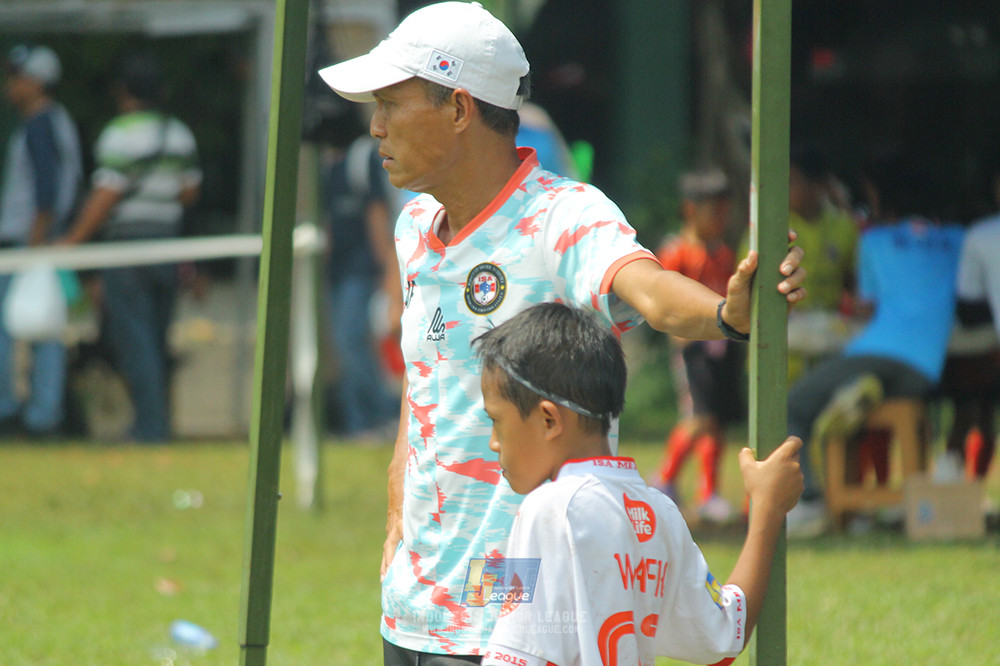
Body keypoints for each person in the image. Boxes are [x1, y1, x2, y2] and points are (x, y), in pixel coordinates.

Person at [318, 2, 806, 660]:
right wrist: (396, 513)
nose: (374, 128)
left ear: (459, 109)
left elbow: (650, 289)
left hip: (501, 616)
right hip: (407, 607)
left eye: (390, 105)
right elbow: (423, 382)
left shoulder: (559, 215)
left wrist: (725, 313)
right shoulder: (413, 230)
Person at [474, 302, 803, 666]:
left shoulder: (546, 508)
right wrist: (767, 511)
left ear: (549, 420)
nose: (493, 442)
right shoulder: (659, 510)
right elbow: (724, 635)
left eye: (497, 422)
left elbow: (513, 652)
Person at [785, 152, 965, 536]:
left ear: (880, 196)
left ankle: (810, 501)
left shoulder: (876, 241)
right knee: (848, 394)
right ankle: (858, 394)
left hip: (879, 351)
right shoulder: (956, 239)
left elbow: (865, 308)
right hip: (927, 367)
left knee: (795, 402)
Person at [59, 53, 202, 443]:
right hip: (168, 243)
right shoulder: (179, 133)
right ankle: (161, 423)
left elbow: (108, 193)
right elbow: (190, 192)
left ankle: (149, 429)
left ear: (123, 92)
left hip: (127, 246)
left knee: (134, 339)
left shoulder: (118, 134)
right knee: (158, 337)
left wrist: (72, 241)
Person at [650, 169, 743, 523]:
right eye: (713, 210)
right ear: (690, 209)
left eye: (725, 210)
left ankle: (709, 492)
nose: (721, 218)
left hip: (722, 346)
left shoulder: (724, 254)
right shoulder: (677, 253)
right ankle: (665, 480)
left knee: (715, 421)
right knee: (697, 417)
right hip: (692, 348)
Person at [0, 44, 83, 437]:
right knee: (47, 325)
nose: (10, 85)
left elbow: (46, 193)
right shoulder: (57, 121)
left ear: (35, 81)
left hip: (30, 245)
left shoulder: (39, 124)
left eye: (16, 77)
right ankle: (42, 412)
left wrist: (35, 246)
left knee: (29, 327)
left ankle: (25, 413)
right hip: (46, 244)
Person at [322, 132, 400, 439]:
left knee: (352, 342)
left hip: (364, 269)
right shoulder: (330, 163)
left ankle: (380, 414)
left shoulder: (362, 156)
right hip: (339, 271)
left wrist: (385, 269)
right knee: (346, 346)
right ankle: (358, 423)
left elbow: (377, 212)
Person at [948, 164, 1000, 479]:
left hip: (989, 351)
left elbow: (968, 307)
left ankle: (966, 487)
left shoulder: (982, 235)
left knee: (972, 405)